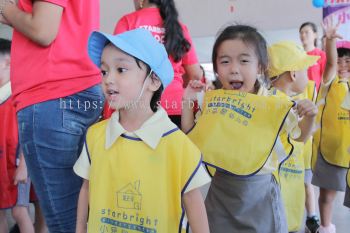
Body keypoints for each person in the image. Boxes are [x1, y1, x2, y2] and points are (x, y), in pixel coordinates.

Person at [181, 24, 316, 233]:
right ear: (216, 68)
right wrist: (187, 102)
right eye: (225, 61)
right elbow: (192, 137)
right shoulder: (214, 102)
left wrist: (310, 117)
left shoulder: (274, 103)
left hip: (260, 198)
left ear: (260, 67)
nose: (234, 68)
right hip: (221, 195)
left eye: (244, 60)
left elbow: (300, 138)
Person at [74, 28, 210, 233]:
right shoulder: (95, 136)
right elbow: (86, 188)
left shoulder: (177, 145)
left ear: (154, 80)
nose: (108, 79)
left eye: (121, 69)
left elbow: (193, 201)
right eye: (104, 71)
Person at [0, 1, 104, 232]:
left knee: (64, 221)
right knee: (81, 213)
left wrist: (5, 9)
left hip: (51, 92)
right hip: (78, 86)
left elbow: (43, 30)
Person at [113, 0, 202, 127]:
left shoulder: (128, 21)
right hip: (176, 106)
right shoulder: (179, 27)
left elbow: (118, 67)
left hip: (138, 107)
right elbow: (196, 74)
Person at [268, 41, 319, 233]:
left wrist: (311, 116)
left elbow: (300, 138)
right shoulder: (282, 105)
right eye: (305, 69)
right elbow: (300, 139)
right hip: (281, 197)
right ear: (294, 74)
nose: (308, 74)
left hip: (287, 194)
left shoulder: (279, 102)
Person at [312, 22, 350, 233]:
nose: (343, 65)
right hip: (329, 149)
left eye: (348, 60)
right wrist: (330, 41)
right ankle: (325, 227)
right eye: (340, 60)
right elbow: (331, 65)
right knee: (327, 195)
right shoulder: (330, 80)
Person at [0, 38, 34, 233]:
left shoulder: (18, 95)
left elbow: (28, 131)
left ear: (7, 63)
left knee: (19, 211)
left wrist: (24, 165)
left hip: (17, 163)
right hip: (2, 163)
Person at [299, 22, 327, 90]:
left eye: (306, 32)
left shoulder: (321, 55)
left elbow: (326, 79)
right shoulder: (297, 55)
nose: (303, 35)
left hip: (316, 96)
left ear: (315, 35)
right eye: (301, 33)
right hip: (300, 95)